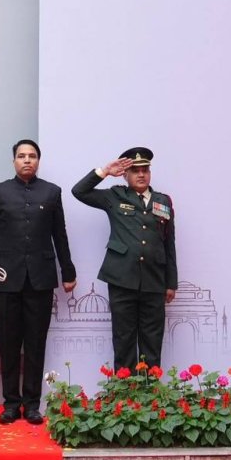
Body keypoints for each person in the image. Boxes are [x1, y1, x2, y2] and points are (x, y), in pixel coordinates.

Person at [0, 138, 76, 425]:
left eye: (32, 156)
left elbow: (60, 234)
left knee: (35, 344)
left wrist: (68, 271)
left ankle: (32, 404)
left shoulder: (51, 192)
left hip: (40, 279)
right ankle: (10, 403)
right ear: (13, 161)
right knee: (9, 344)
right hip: (6, 279)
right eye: (21, 156)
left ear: (38, 161)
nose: (27, 160)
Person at [72, 147, 176, 370]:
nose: (141, 174)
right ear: (126, 175)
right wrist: (105, 171)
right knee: (124, 340)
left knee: (152, 342)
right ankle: (126, 399)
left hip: (154, 281)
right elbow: (79, 191)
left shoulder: (163, 201)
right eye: (135, 170)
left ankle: (150, 397)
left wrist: (171, 283)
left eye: (145, 170)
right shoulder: (115, 196)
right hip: (122, 280)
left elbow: (169, 245)